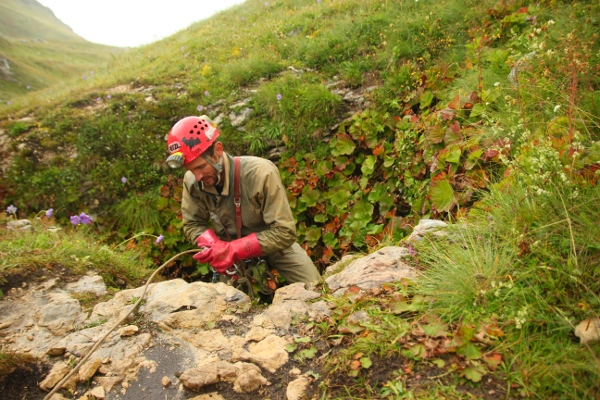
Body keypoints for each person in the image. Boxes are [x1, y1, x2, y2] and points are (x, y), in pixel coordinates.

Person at [165, 115, 321, 284]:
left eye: (201, 167)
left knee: (315, 289)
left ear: (218, 150)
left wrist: (233, 250)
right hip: (227, 254)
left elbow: (285, 232)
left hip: (274, 244)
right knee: (226, 306)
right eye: (191, 170)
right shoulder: (192, 181)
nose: (198, 176)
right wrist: (216, 248)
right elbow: (193, 224)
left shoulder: (261, 173)